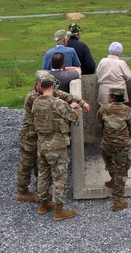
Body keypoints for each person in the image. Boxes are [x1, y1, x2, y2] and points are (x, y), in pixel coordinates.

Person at [17, 70, 88, 203]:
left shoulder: (45, 91)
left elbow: (63, 95)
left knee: (41, 166)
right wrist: (68, 106)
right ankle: (22, 191)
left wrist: (81, 102)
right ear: (36, 85)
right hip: (30, 135)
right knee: (27, 163)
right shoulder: (34, 97)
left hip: (41, 135)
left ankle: (42, 194)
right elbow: (57, 107)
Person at [33, 74, 82, 221]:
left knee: (43, 175)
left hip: (42, 145)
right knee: (59, 177)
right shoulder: (58, 103)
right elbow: (73, 117)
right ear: (53, 86)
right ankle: (59, 211)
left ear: (41, 87)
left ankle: (43, 204)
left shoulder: (36, 102)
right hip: (57, 146)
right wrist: (70, 106)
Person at [98, 86, 131, 211]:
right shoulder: (127, 110)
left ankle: (113, 179)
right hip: (122, 145)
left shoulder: (104, 109)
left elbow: (99, 124)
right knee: (122, 170)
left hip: (107, 143)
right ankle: (118, 200)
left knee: (109, 161)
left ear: (112, 97)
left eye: (109, 95)